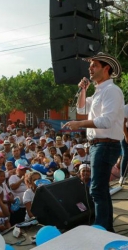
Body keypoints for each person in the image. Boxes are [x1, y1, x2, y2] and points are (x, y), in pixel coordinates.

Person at [63, 52, 124, 232]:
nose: (90, 67)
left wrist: (79, 124)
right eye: (90, 65)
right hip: (100, 144)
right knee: (100, 190)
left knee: (96, 190)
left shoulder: (112, 91)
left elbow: (106, 121)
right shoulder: (99, 91)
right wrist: (83, 89)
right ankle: (106, 229)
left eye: (94, 65)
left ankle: (102, 230)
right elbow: (81, 108)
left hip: (106, 144)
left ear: (106, 69)